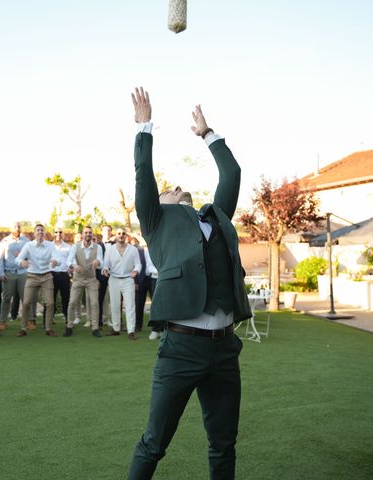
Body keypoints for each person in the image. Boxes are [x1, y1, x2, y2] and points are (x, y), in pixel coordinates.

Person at [126, 87, 252, 480]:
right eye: (169, 189)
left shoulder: (218, 217)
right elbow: (144, 175)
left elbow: (231, 173)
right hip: (181, 349)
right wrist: (144, 126)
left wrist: (207, 133)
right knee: (154, 442)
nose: (175, 185)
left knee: (223, 443)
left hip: (225, 350)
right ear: (159, 203)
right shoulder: (157, 222)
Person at [15, 224, 58, 337]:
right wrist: (22, 262)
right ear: (34, 233)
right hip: (32, 276)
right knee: (26, 302)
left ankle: (48, 328)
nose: (40, 232)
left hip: (46, 276)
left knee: (50, 303)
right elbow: (17, 259)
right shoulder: (28, 245)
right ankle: (23, 328)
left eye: (42, 230)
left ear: (44, 233)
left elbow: (57, 259)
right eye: (37, 230)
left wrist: (55, 262)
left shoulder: (50, 246)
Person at [102, 227, 141, 339]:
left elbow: (138, 264)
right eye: (119, 233)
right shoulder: (110, 249)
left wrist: (136, 271)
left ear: (126, 236)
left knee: (130, 306)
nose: (121, 235)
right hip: (114, 279)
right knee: (114, 305)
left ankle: (131, 331)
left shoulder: (133, 249)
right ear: (116, 235)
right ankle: (116, 329)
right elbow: (105, 264)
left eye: (123, 233)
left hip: (128, 279)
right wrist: (105, 269)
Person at [65, 226, 103, 337]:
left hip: (91, 279)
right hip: (78, 278)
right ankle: (69, 326)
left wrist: (98, 262)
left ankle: (95, 328)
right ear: (82, 234)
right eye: (86, 232)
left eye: (90, 233)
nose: (88, 234)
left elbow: (102, 262)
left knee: (95, 303)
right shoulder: (75, 247)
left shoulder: (98, 247)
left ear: (92, 234)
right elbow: (69, 260)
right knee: (72, 302)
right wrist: (74, 265)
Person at [0, 222, 29, 330]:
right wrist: (1, 273)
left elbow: (30, 256)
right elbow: (0, 258)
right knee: (6, 298)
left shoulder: (26, 241)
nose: (17, 228)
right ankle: (2, 321)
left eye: (19, 226)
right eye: (15, 226)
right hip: (9, 273)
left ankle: (27, 321)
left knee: (25, 298)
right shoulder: (5, 241)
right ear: (11, 228)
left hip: (22, 272)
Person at [50, 227, 71, 324]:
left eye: (60, 232)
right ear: (53, 233)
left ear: (63, 234)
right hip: (51, 275)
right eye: (56, 232)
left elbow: (71, 261)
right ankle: (49, 320)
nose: (58, 234)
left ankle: (68, 319)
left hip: (64, 275)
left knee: (66, 298)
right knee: (50, 298)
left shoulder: (68, 247)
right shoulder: (48, 246)